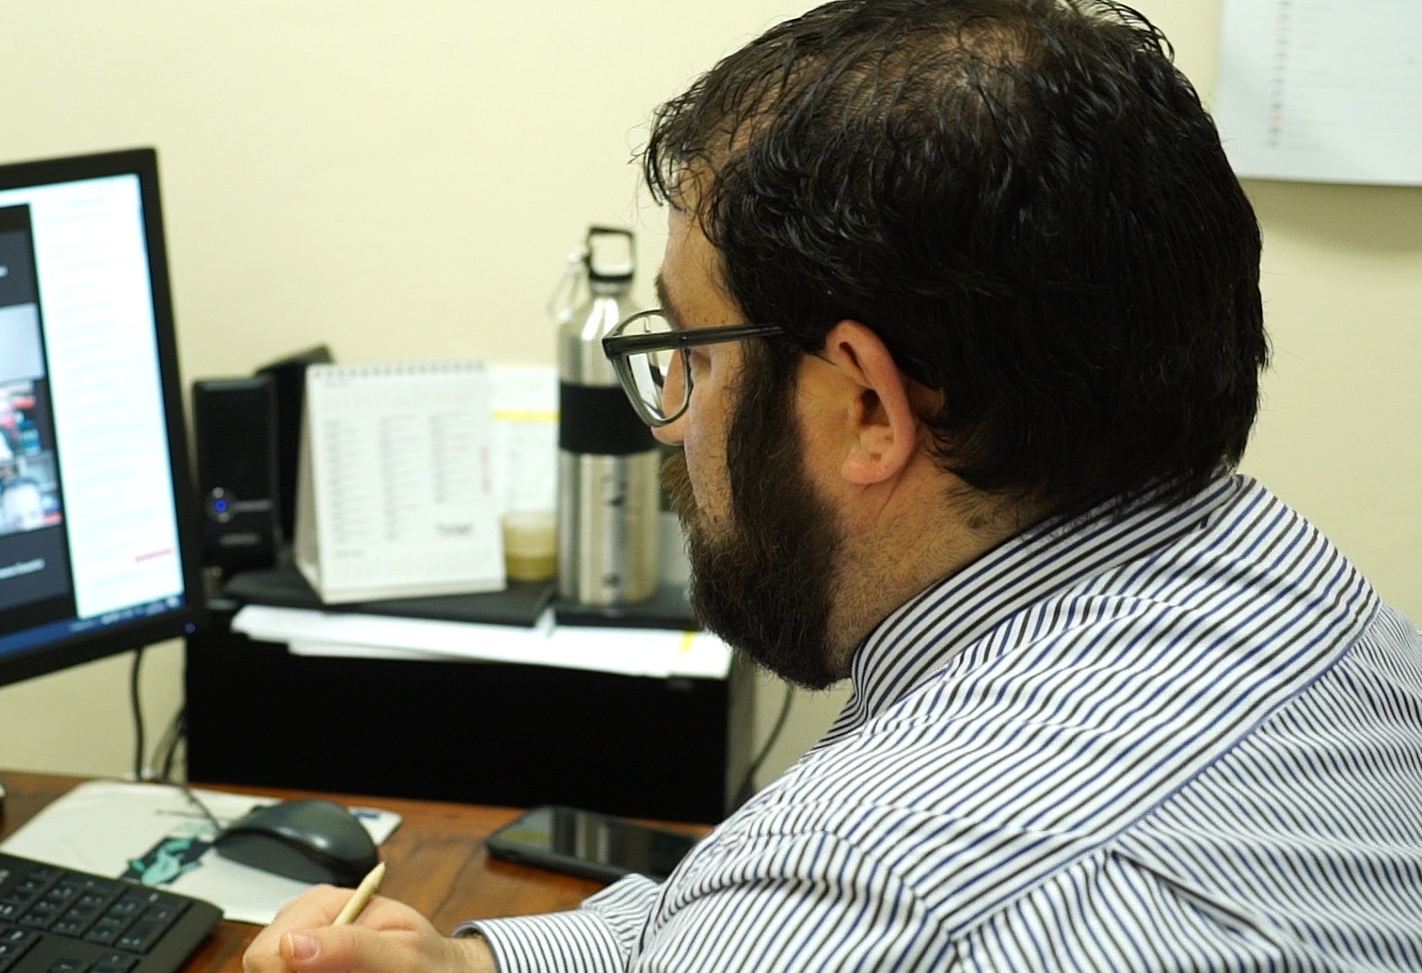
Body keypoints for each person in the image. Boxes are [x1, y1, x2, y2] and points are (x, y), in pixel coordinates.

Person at [247, 2, 1422, 971]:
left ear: (865, 406)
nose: (671, 415)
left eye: (692, 350)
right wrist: (478, 964)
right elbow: (735, 910)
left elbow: (833, 908)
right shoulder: (1299, 594)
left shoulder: (885, 892)